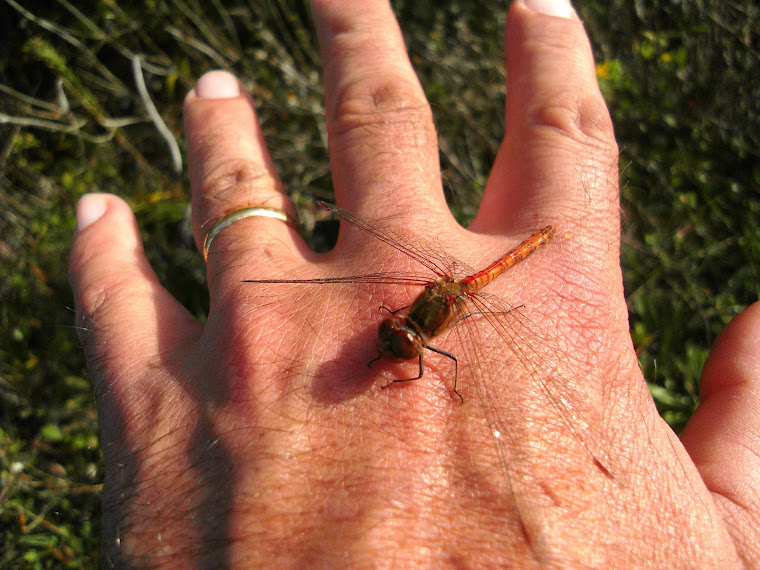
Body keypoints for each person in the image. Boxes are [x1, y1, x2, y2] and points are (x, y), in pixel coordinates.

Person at [69, 0, 760, 566]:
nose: (397, 341)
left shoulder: (435, 336)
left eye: (401, 338)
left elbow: (436, 363)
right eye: (399, 337)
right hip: (447, 296)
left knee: (454, 364)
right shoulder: (405, 324)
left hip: (488, 280)